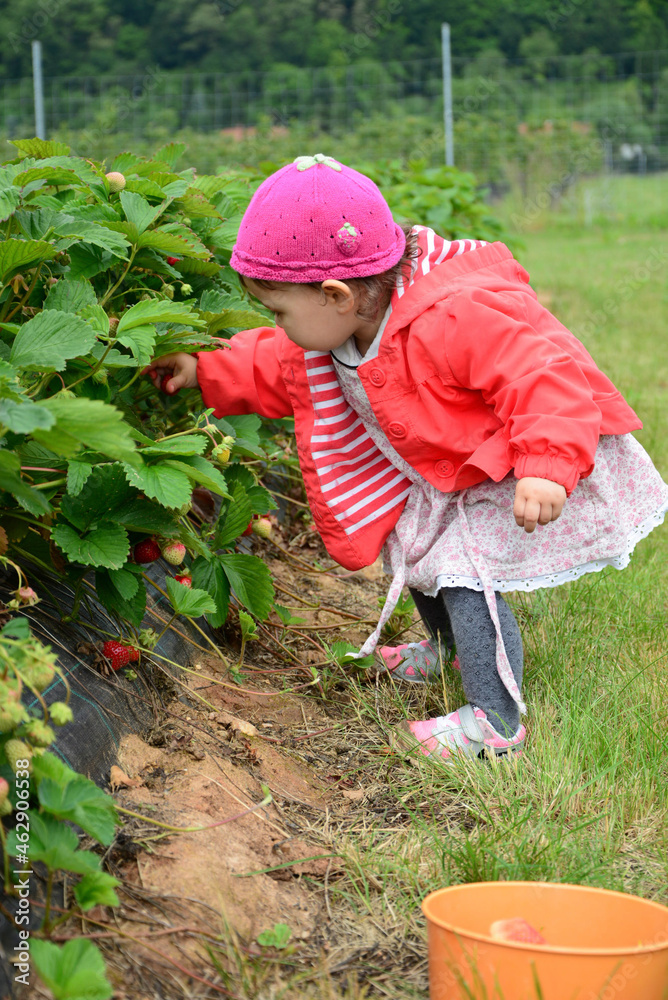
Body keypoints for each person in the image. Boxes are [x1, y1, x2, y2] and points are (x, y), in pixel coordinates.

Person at [146, 153, 668, 763]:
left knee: (465, 578)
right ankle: (445, 649)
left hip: (499, 467)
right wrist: (205, 366)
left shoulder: (456, 316)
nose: (279, 327)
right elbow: (273, 365)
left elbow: (542, 376)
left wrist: (546, 463)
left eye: (280, 312)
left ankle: (495, 724)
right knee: (417, 554)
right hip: (435, 473)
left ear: (337, 294)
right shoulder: (339, 329)